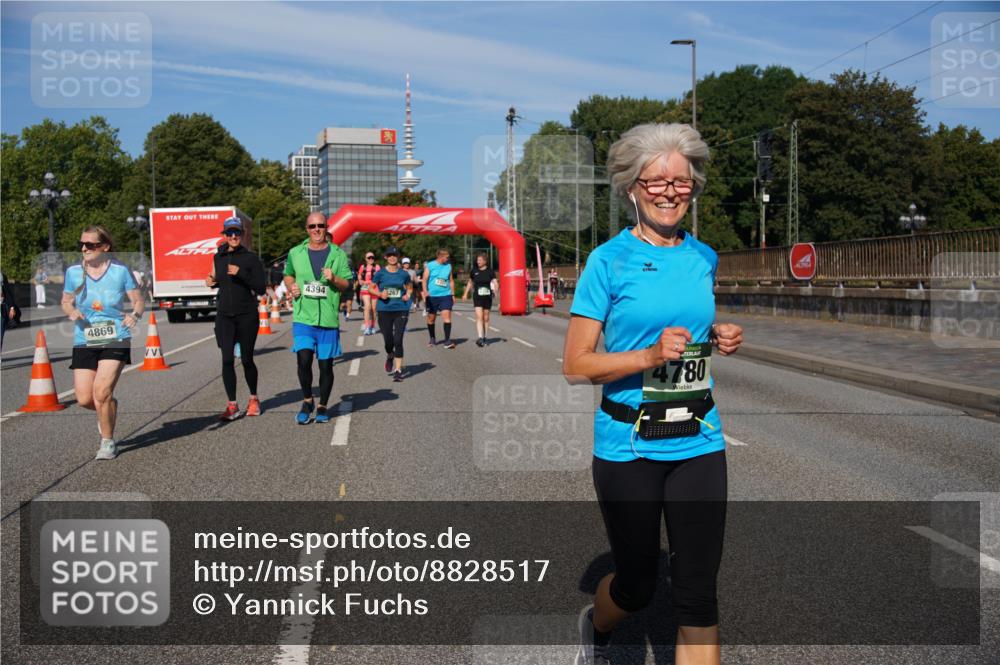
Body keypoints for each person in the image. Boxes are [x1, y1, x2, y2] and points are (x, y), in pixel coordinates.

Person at [562, 123, 744, 665]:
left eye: (681, 182)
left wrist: (717, 336)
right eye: (656, 182)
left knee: (698, 596)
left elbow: (686, 329)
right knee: (638, 587)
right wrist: (647, 356)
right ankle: (597, 625)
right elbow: (575, 364)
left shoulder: (704, 257)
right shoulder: (607, 261)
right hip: (628, 446)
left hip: (699, 438)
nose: (670, 192)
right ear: (632, 188)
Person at [61, 226, 144, 460]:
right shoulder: (74, 272)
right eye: (81, 244)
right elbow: (66, 301)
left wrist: (134, 315)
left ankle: (107, 442)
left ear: (105, 247)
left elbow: (138, 301)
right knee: (85, 399)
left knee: (101, 391)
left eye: (90, 245)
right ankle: (106, 406)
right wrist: (71, 311)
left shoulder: (120, 271)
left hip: (116, 335)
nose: (84, 248)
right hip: (85, 337)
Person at [283, 212, 353, 425]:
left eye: (320, 225)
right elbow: (288, 274)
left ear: (326, 227)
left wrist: (334, 278)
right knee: (303, 359)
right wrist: (291, 286)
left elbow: (347, 284)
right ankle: (307, 400)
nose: (316, 229)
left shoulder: (338, 254)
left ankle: (322, 405)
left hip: (328, 320)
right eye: (312, 226)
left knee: (325, 366)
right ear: (307, 229)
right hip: (303, 317)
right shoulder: (295, 252)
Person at [206, 217, 266, 420]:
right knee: (227, 360)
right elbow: (219, 279)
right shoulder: (218, 257)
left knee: (247, 359)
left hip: (246, 315)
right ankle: (232, 405)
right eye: (229, 233)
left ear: (242, 234)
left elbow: (260, 287)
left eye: (237, 233)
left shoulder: (250, 258)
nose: (233, 236)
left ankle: (253, 398)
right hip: (224, 315)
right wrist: (211, 281)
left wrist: (241, 273)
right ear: (224, 235)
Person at [369, 246, 412, 381]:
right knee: (388, 341)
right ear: (386, 257)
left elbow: (409, 288)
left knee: (398, 340)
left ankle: (398, 370)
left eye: (394, 255)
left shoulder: (404, 274)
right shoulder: (380, 273)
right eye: (389, 255)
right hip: (384, 310)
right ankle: (390, 354)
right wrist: (380, 294)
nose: (392, 257)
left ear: (397, 257)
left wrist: (407, 295)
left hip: (401, 309)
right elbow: (370, 288)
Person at [422, 248, 456, 349]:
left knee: (447, 317)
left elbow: (451, 281)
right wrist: (425, 291)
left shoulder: (449, 266)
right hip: (432, 296)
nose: (448, 259)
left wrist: (453, 294)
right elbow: (424, 280)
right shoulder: (430, 265)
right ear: (441, 256)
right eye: (447, 257)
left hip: (446, 295)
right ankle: (432, 338)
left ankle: (447, 341)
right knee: (431, 318)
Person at [462, 253, 498, 347]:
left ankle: (485, 337)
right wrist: (465, 293)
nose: (478, 262)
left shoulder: (490, 271)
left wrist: (496, 289)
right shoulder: (474, 271)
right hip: (477, 296)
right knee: (479, 316)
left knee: (486, 317)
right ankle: (480, 337)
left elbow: (495, 282)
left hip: (487, 297)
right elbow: (470, 282)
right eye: (477, 260)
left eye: (480, 260)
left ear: (485, 261)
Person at [357, 252, 381, 335]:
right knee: (367, 306)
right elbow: (359, 276)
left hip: (374, 288)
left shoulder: (377, 267)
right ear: (366, 259)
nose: (371, 259)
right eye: (369, 258)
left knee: (373, 309)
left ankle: (373, 326)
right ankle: (367, 327)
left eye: (372, 258)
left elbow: (380, 277)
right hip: (365, 288)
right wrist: (360, 281)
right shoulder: (362, 267)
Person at [1, 269, 19, 347]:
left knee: (0, 334)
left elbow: (8, 292)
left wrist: (12, 307)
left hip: (2, 308)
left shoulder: (2, 276)